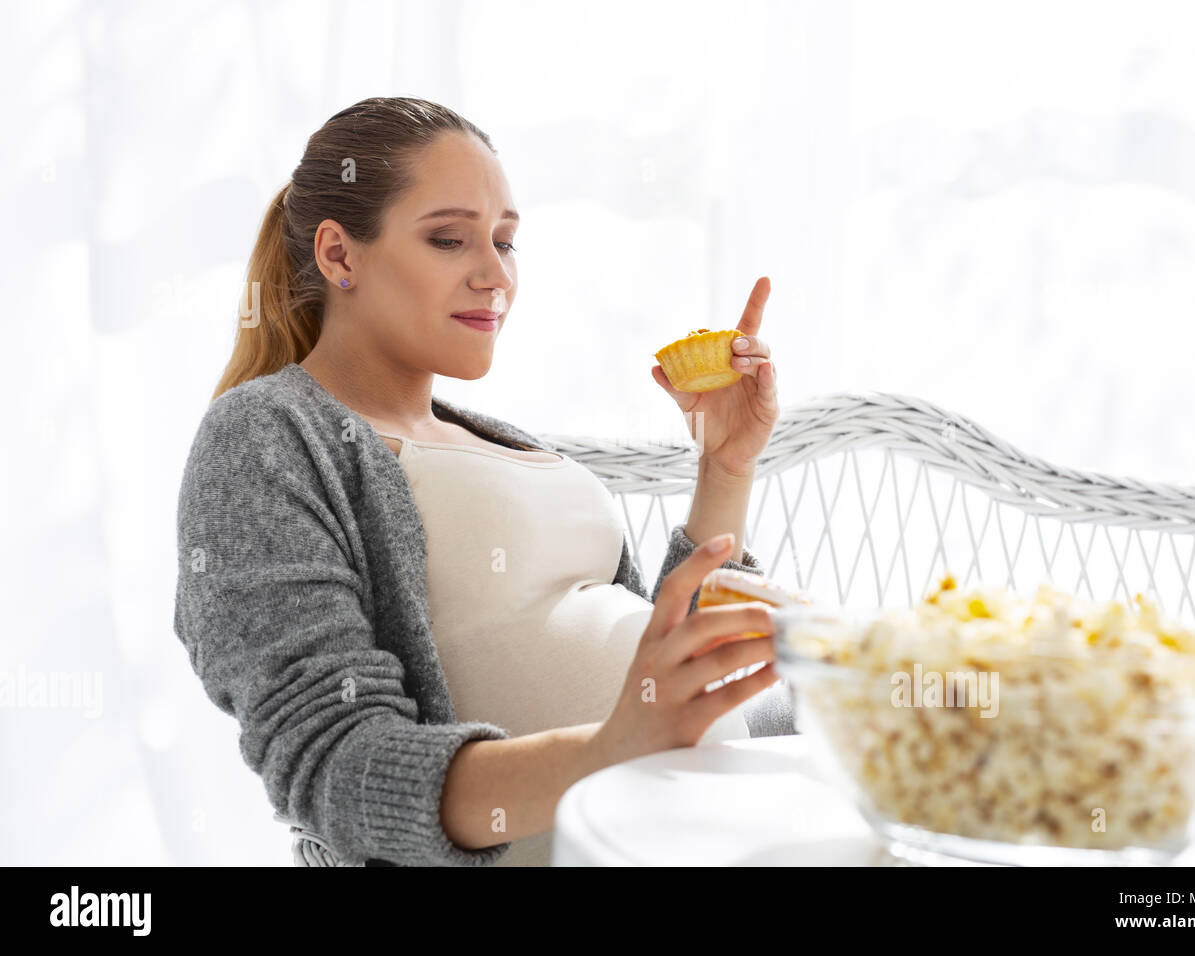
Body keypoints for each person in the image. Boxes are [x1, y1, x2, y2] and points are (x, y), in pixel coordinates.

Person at [174, 96, 793, 867]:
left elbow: (669, 654)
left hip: (757, 794)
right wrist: (611, 750)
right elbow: (336, 764)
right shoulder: (266, 434)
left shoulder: (502, 439)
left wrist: (724, 467)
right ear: (338, 256)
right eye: (448, 239)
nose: (495, 274)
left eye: (506, 242)